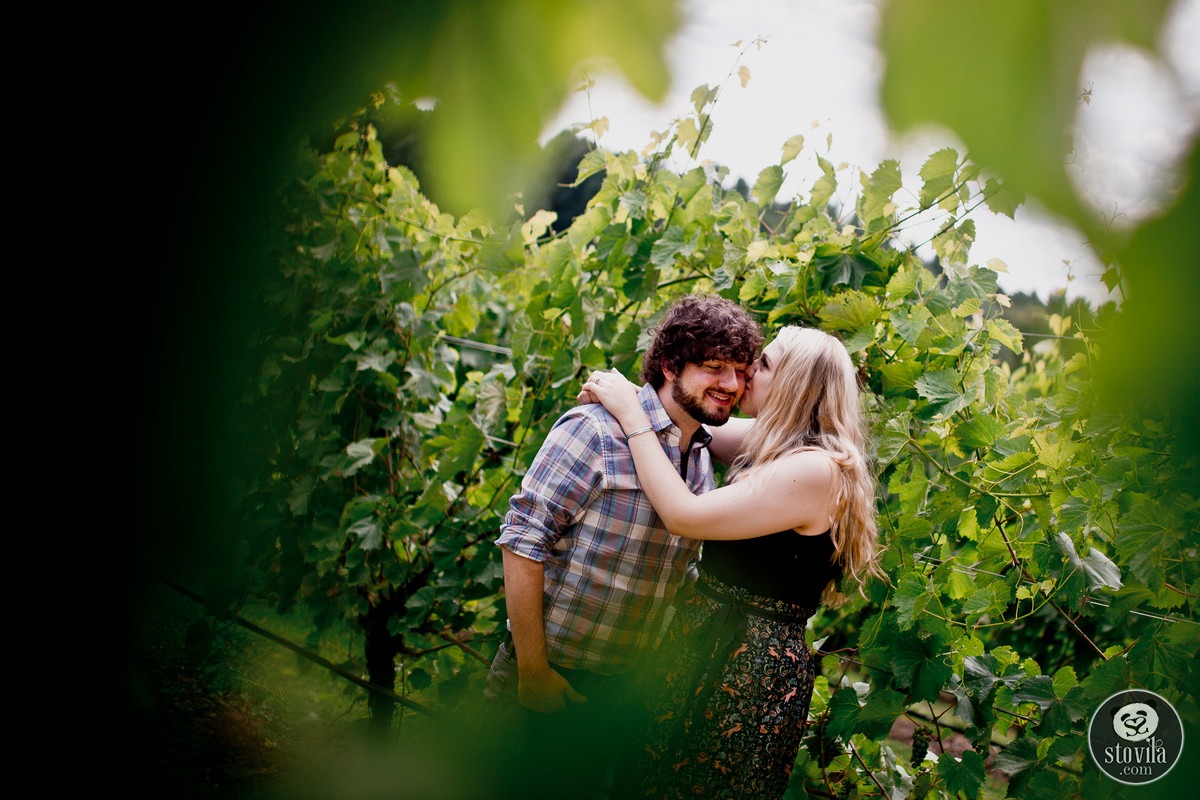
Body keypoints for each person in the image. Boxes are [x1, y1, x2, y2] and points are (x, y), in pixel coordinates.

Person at [580, 325, 881, 800]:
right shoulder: (777, 442)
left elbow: (683, 515)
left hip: (745, 667)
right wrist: (626, 400)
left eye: (762, 365)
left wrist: (630, 413)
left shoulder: (816, 469)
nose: (745, 374)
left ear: (793, 385)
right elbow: (686, 422)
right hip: (713, 639)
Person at [483, 294, 764, 797]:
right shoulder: (594, 430)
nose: (730, 385)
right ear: (669, 364)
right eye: (714, 367)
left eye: (741, 371)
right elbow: (523, 541)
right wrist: (533, 671)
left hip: (621, 689)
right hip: (552, 672)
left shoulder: (699, 454)